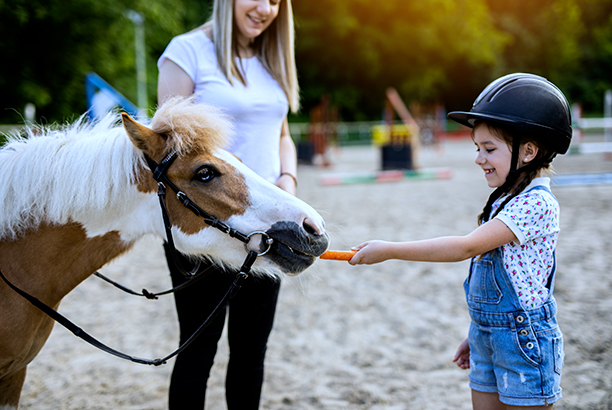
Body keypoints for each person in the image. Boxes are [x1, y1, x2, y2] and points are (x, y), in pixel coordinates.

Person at [349, 73, 572, 409]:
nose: (479, 158)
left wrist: (390, 250)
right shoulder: (506, 198)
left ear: (528, 151)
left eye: (489, 149)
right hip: (488, 336)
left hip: (524, 341)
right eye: (477, 148)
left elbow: (466, 247)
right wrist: (479, 331)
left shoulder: (536, 203)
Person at [156, 0, 299, 408]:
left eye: (276, 1)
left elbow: (281, 134)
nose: (266, 9)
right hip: (208, 225)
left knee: (252, 353)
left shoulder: (273, 56)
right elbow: (172, 149)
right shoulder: (186, 52)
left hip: (270, 224)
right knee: (197, 351)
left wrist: (287, 182)